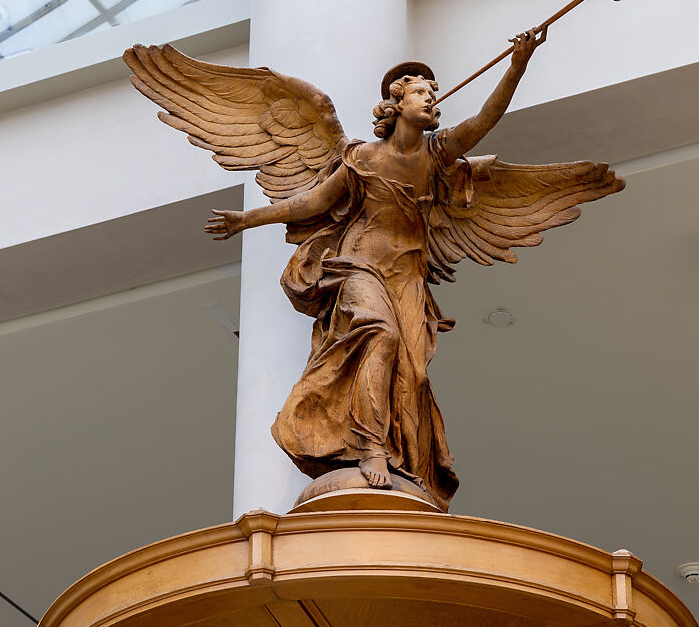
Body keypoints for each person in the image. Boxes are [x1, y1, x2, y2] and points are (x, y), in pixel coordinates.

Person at [203, 32, 544, 510]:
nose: (431, 99)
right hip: (359, 265)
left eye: (433, 94)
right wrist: (248, 219)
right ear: (397, 103)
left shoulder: (438, 154)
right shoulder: (362, 158)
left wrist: (517, 66)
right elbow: (312, 203)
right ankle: (370, 448)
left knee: (412, 376)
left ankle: (401, 457)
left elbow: (485, 119)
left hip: (407, 276)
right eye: (421, 92)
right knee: (379, 334)